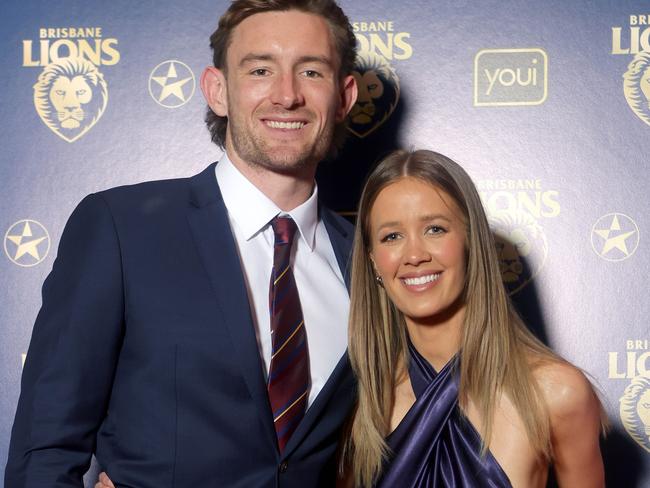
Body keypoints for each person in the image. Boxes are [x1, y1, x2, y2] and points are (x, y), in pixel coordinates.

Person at [5, 0, 358, 486]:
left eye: (311, 72)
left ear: (344, 97)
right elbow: (45, 446)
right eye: (260, 69)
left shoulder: (369, 261)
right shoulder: (121, 229)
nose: (287, 95)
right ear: (217, 90)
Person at [341, 149, 605, 487]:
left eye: (435, 229)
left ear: (471, 241)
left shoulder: (555, 392)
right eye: (392, 236)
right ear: (374, 261)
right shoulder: (363, 405)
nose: (415, 255)